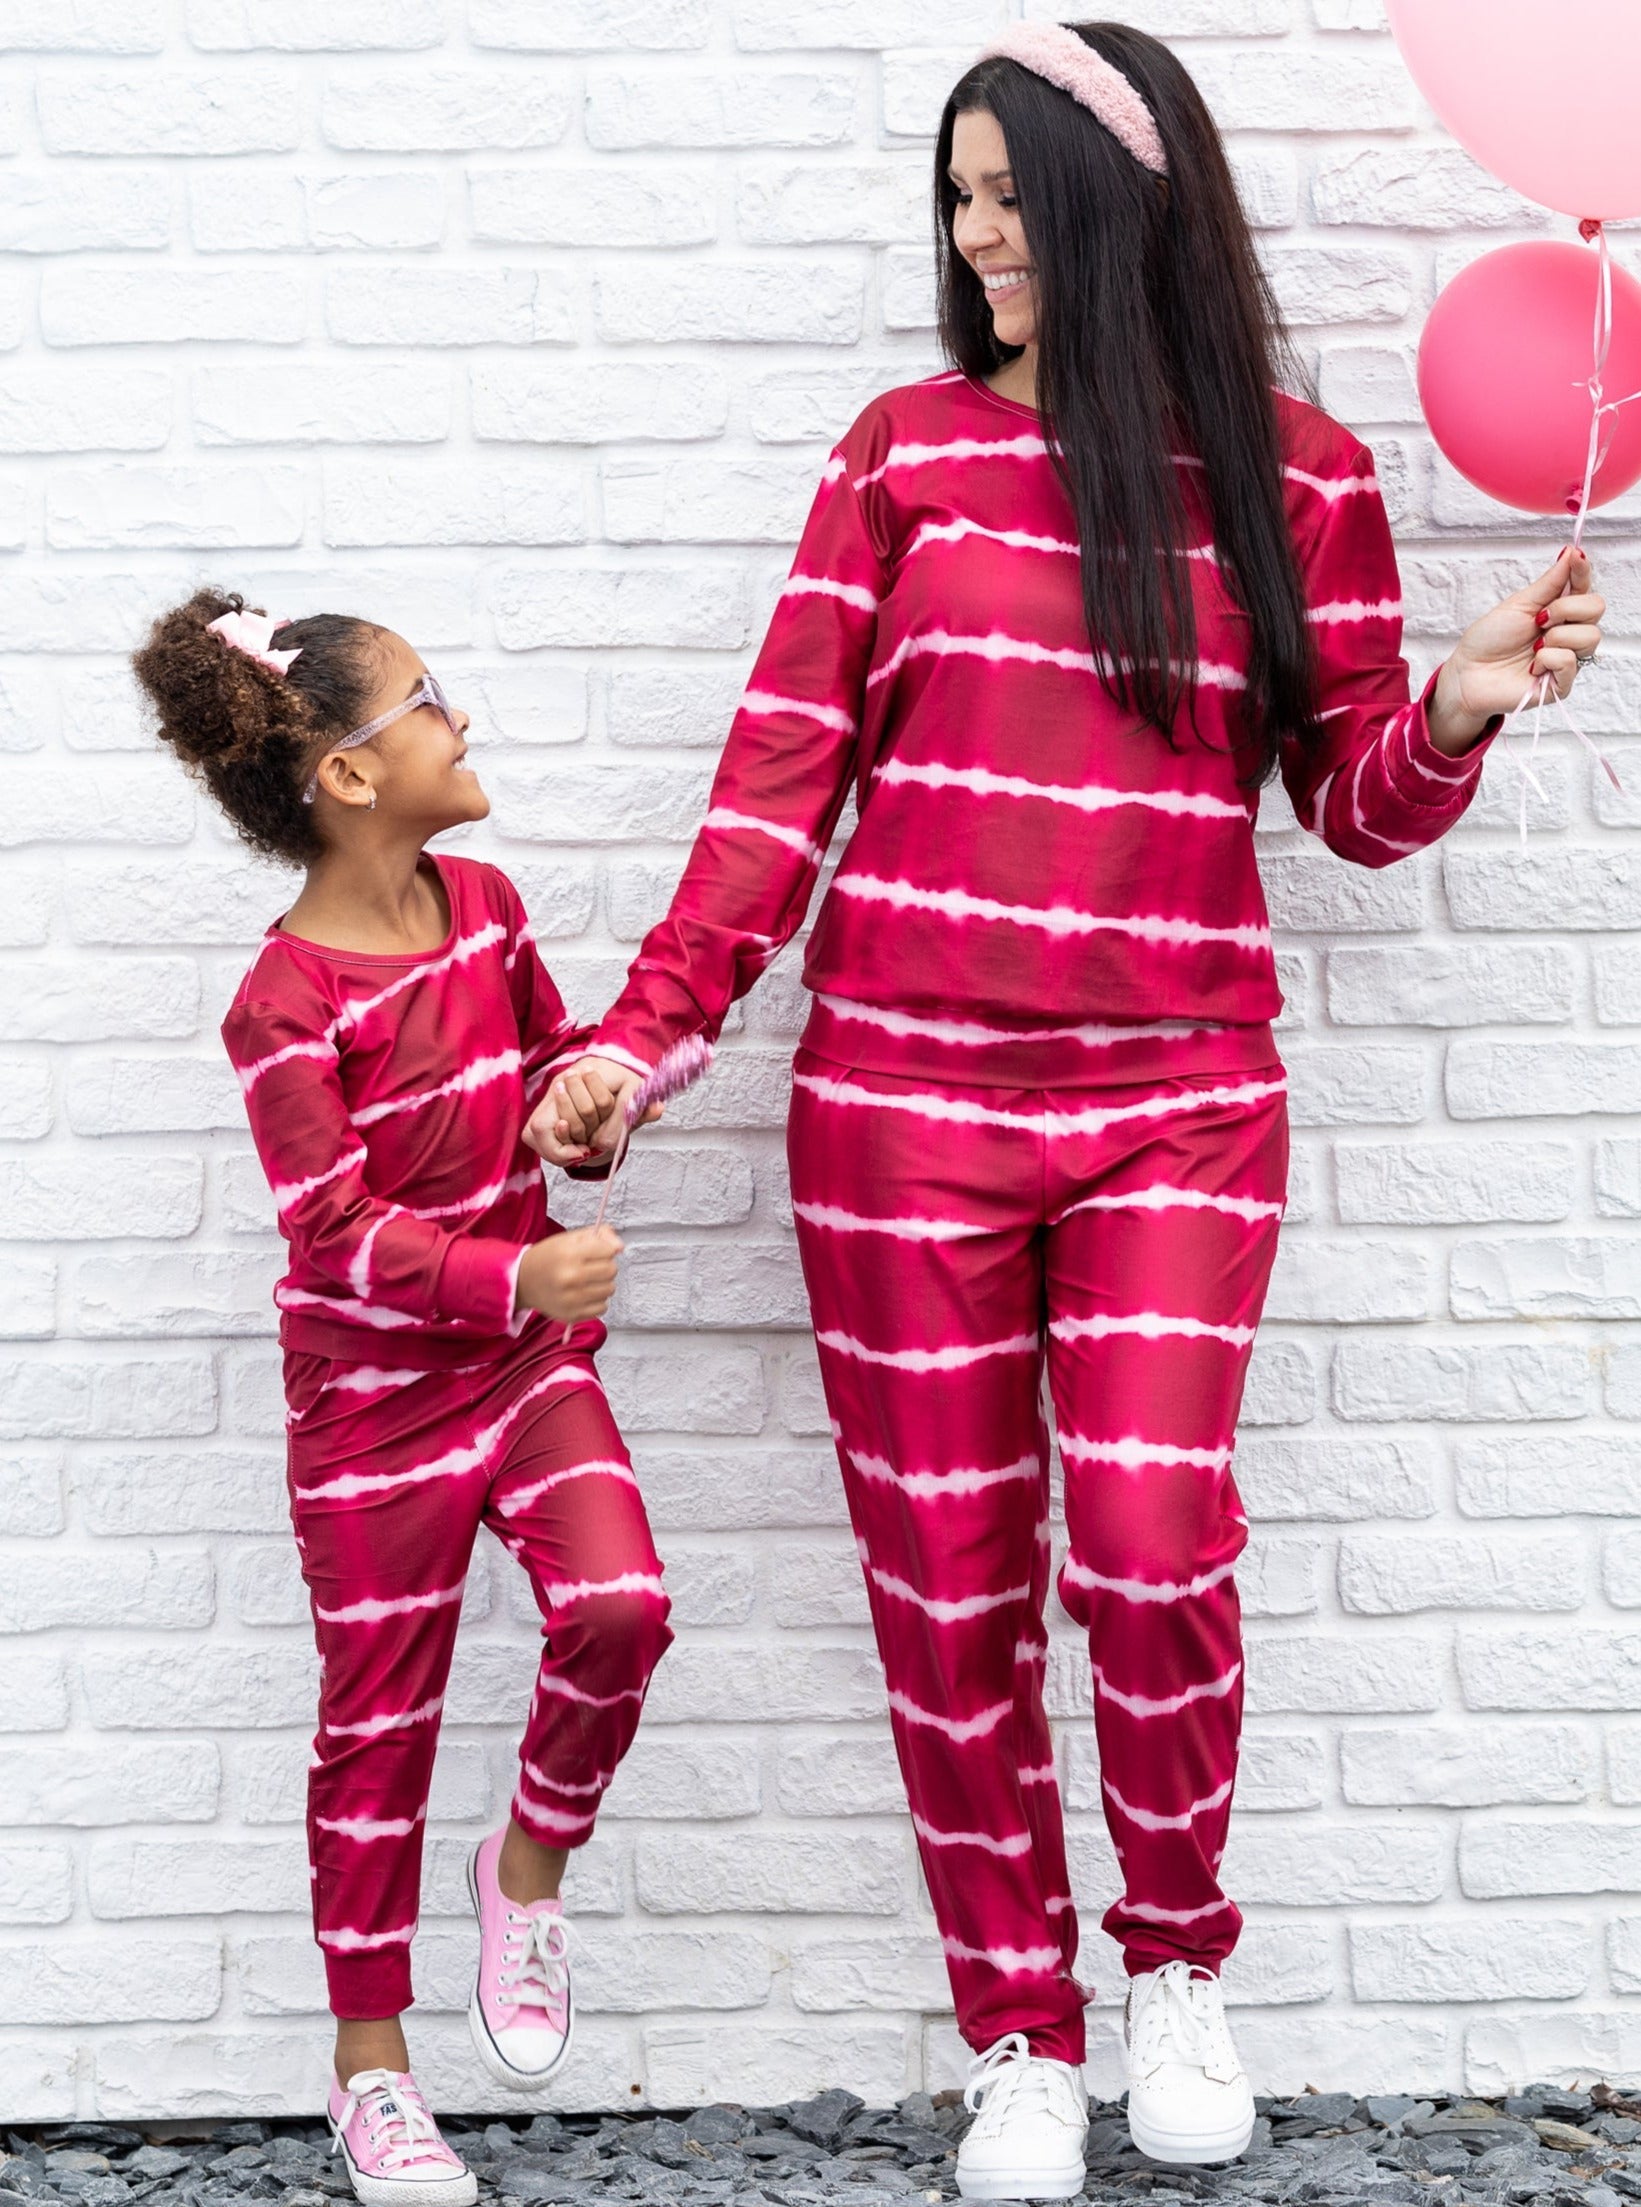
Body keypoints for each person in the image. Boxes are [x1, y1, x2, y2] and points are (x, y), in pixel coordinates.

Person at [537, 17, 1605, 2195]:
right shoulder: (900, 455)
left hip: (1174, 1102)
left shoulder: (1296, 475)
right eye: (956, 199)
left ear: (1125, 206)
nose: (975, 238)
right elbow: (774, 794)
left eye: (1011, 196)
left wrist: (1453, 707)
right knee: (946, 1591)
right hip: (895, 1105)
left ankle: (1177, 1973)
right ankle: (1018, 2032)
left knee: (1142, 1539)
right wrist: (645, 1041)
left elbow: (1349, 810)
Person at [133, 593, 673, 2206]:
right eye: (430, 699)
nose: (463, 717)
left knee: (623, 1608)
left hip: (521, 1375)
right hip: (371, 1410)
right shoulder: (282, 1001)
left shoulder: (486, 909)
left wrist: (585, 1113)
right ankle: (371, 2072)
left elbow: (551, 1063)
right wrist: (517, 1275)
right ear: (354, 776)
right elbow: (332, 1230)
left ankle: (527, 1870)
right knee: (379, 1729)